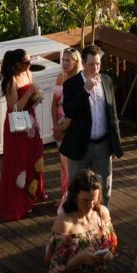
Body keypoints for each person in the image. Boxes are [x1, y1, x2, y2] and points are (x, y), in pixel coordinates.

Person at [60, 44, 123, 206]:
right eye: (91, 64)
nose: (95, 67)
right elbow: (69, 111)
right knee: (75, 191)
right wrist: (85, 89)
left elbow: (113, 114)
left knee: (104, 190)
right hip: (80, 145)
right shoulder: (71, 85)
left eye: (98, 63)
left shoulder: (107, 81)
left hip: (103, 145)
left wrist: (115, 145)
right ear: (83, 63)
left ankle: (103, 226)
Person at [0, 48, 46, 220]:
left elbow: (30, 101)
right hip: (17, 127)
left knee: (34, 157)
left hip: (31, 124)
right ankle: (17, 203)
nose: (30, 65)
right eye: (27, 63)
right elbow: (14, 108)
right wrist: (31, 92)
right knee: (18, 163)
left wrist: (36, 96)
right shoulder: (10, 81)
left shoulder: (28, 74)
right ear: (17, 64)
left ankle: (32, 194)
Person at [52, 47, 82, 205]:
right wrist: (54, 125)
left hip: (71, 127)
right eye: (63, 60)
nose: (64, 63)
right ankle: (64, 196)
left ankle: (71, 199)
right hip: (59, 126)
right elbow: (53, 103)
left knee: (70, 166)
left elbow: (76, 111)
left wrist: (61, 128)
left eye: (68, 60)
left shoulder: (78, 81)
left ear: (76, 62)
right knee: (63, 165)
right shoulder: (59, 77)